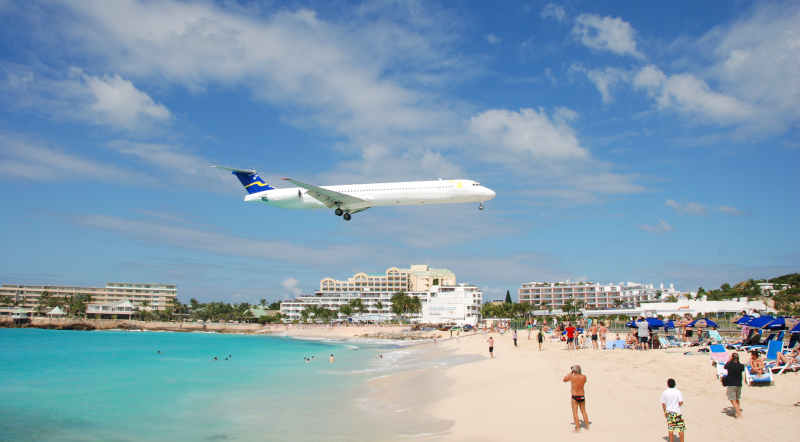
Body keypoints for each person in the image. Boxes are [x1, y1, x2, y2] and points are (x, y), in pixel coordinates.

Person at [563, 365, 589, 433]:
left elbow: (565, 379)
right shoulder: (584, 377)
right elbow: (584, 382)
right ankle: (587, 426)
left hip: (575, 396)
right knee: (583, 412)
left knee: (575, 413)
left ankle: (577, 429)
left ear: (574, 371)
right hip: (582, 396)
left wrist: (570, 372)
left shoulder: (572, 377)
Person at [723, 353, 745, 418]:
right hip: (739, 384)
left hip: (732, 383)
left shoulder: (730, 365)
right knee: (737, 399)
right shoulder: (741, 365)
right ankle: (737, 412)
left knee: (732, 399)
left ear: (732, 358)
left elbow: (725, 367)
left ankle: (739, 415)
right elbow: (741, 368)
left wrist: (729, 360)